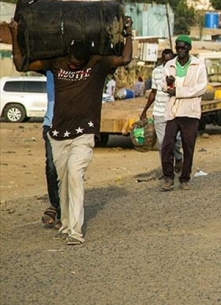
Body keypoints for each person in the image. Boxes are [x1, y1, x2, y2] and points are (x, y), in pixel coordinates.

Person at [11, 16, 133, 245]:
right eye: (73, 62)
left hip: (84, 133)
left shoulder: (97, 63)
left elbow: (125, 58)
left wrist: (128, 32)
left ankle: (75, 232)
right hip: (58, 133)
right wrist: (15, 35)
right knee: (63, 181)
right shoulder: (56, 62)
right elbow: (21, 64)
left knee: (76, 176)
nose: (75, 66)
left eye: (79, 64)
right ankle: (66, 223)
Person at [159, 36, 208, 191]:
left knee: (188, 147)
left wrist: (178, 91)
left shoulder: (198, 65)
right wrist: (168, 84)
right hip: (173, 111)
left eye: (183, 48)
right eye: (178, 48)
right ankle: (168, 177)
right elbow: (163, 86)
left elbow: (200, 88)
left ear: (189, 48)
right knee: (167, 145)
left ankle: (185, 178)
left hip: (190, 111)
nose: (180, 51)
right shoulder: (169, 65)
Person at [140, 49, 182, 172]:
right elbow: (153, 92)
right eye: (165, 60)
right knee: (163, 144)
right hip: (159, 112)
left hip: (174, 112)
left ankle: (178, 157)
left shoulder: (179, 72)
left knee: (175, 142)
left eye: (169, 60)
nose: (167, 63)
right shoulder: (156, 72)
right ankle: (167, 171)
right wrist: (144, 110)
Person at [40, 70, 60, 229]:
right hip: (51, 123)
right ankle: (55, 204)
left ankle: (63, 209)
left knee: (69, 169)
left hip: (72, 125)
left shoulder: (78, 66)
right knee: (52, 167)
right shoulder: (50, 66)